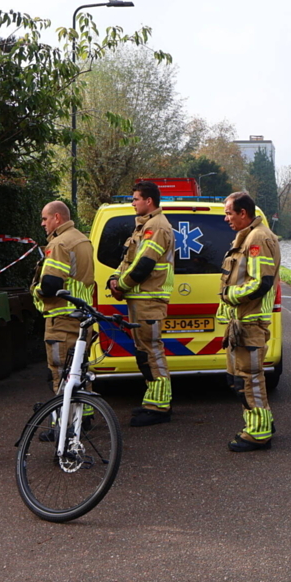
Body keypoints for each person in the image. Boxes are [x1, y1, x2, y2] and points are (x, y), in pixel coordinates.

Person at [217, 191, 281, 452]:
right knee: (239, 379)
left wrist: (230, 295)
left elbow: (261, 282)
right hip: (241, 324)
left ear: (243, 213)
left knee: (249, 380)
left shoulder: (258, 238)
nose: (226, 218)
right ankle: (261, 422)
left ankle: (258, 434)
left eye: (229, 213)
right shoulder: (248, 236)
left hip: (251, 323)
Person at [108, 181, 176, 427]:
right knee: (144, 353)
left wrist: (122, 286)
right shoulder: (145, 226)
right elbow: (129, 261)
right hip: (141, 299)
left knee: (151, 353)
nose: (133, 203)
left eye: (135, 198)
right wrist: (114, 279)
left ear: (149, 201)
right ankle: (153, 401)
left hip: (149, 299)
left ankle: (159, 407)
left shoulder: (156, 226)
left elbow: (145, 264)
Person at [31, 201, 95, 420]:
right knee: (79, 373)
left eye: (45, 218)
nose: (43, 223)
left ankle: (65, 426)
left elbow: (50, 285)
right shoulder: (82, 239)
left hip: (62, 318)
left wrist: (36, 291)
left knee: (60, 373)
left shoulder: (59, 244)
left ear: (57, 218)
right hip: (81, 318)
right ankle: (83, 418)